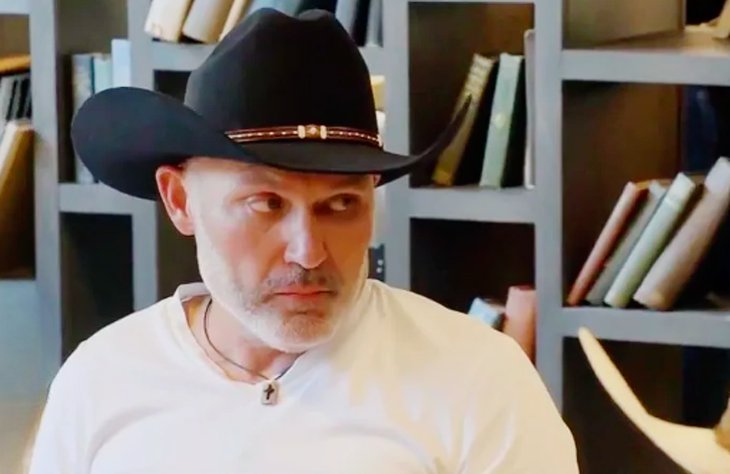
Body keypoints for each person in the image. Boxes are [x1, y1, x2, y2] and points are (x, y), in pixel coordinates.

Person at [27, 8, 578, 473]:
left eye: (341, 205)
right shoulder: (102, 380)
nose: (308, 250)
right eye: (266, 204)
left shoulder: (478, 379)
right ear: (180, 200)